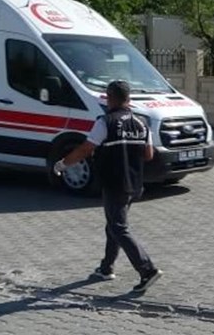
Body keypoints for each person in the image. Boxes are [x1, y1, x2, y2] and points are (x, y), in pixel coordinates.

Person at [54, 80, 163, 294]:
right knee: (113, 224)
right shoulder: (141, 122)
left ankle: (147, 270)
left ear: (110, 98)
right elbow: (148, 155)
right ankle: (106, 268)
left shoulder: (105, 122)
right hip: (135, 184)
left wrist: (63, 164)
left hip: (114, 183)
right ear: (128, 98)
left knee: (118, 227)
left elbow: (86, 149)